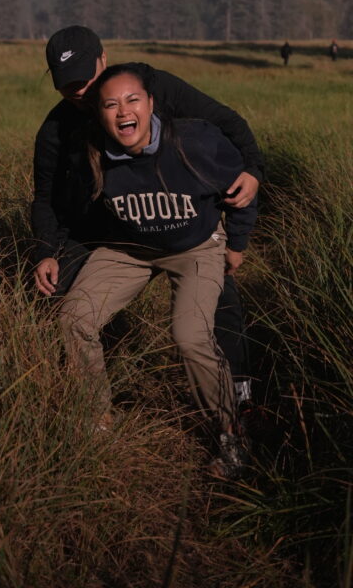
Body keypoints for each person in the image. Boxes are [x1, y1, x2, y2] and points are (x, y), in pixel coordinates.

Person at [32, 26, 260, 406]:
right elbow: (44, 198)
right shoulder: (57, 129)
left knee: (218, 305)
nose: (81, 92)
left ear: (104, 60)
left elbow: (228, 123)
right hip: (110, 230)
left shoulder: (149, 88)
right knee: (59, 298)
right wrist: (45, 250)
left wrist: (252, 171)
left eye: (87, 79)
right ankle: (89, 407)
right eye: (69, 86)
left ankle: (240, 395)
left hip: (190, 222)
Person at [55, 63, 257, 477]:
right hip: (129, 249)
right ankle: (96, 422)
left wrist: (235, 243)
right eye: (110, 104)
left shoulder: (194, 141)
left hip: (196, 245)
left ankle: (230, 437)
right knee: (75, 318)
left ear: (150, 104)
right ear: (99, 113)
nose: (123, 111)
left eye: (132, 100)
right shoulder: (87, 152)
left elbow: (244, 185)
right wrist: (53, 251)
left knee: (189, 334)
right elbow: (68, 209)